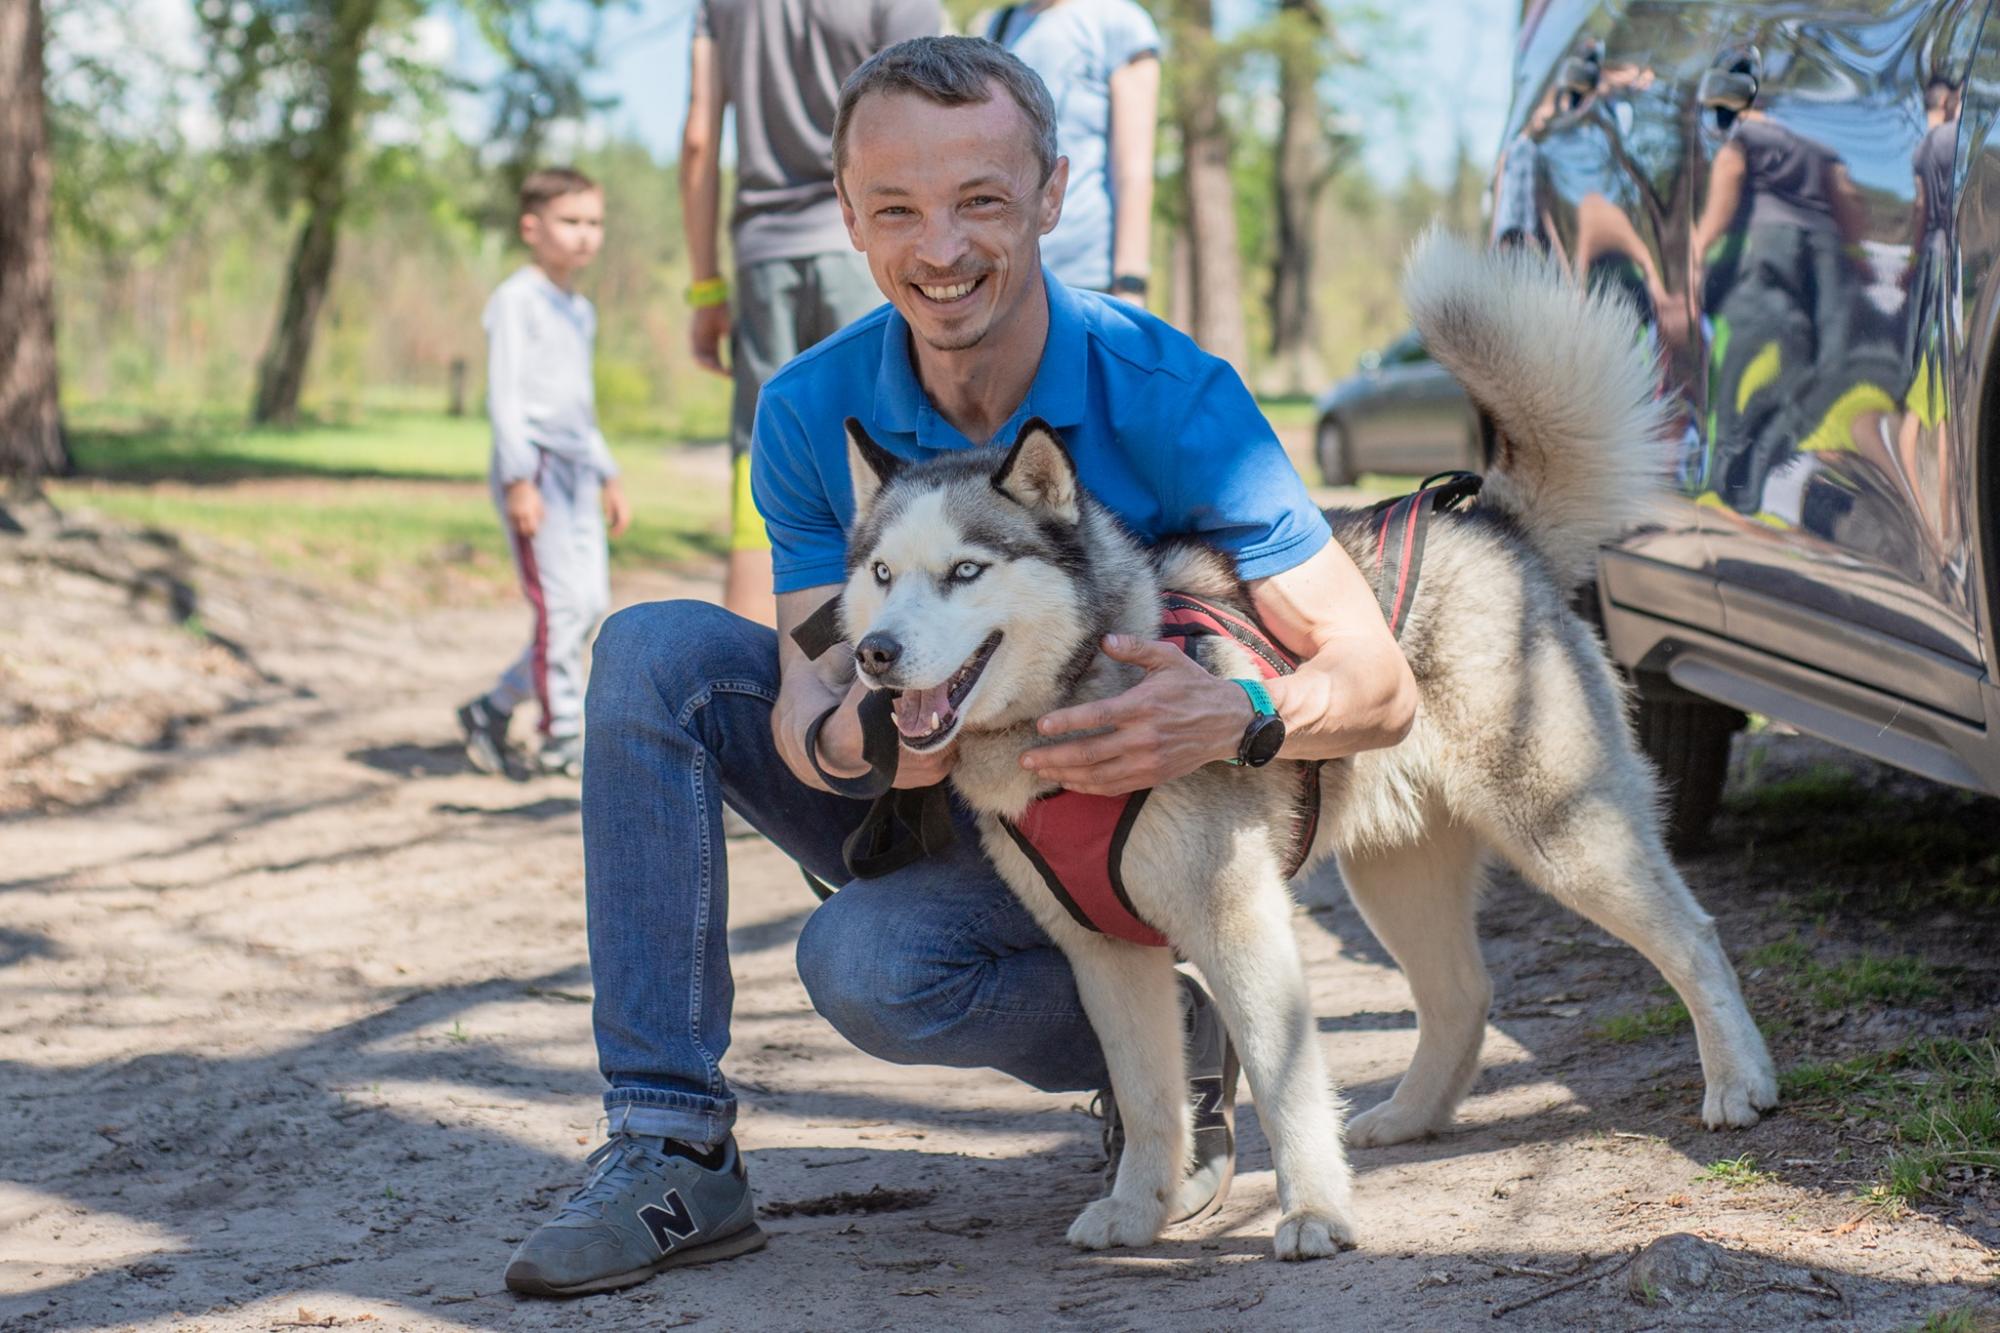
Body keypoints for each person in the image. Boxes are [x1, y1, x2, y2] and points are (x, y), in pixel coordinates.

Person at [502, 37, 1414, 1299]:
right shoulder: (811, 413)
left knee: (866, 968)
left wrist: (1240, 712)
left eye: (980, 199)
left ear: (1051, 192)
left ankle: (1175, 1049)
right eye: (897, 211)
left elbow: (1379, 684)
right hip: (932, 795)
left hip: (1128, 816)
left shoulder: (1168, 393)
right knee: (651, 651)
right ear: (850, 222)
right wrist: (880, 736)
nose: (939, 249)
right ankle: (668, 1145)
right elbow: (813, 689)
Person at [682, 0, 943, 628]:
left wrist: (705, 288)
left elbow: (698, 142)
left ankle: (757, 679)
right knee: (892, 464)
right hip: (869, 242)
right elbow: (930, 121)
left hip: (761, 257)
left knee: (761, 460)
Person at [456, 167, 632, 780]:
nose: (585, 236)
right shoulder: (516, 301)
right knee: (559, 607)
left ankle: (493, 706)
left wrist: (608, 474)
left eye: (594, 223)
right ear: (532, 227)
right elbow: (505, 397)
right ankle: (562, 735)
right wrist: (517, 478)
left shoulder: (578, 310)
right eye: (570, 221)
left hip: (579, 471)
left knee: (589, 605)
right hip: (536, 470)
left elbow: (578, 405)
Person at [985, 0, 1159, 299]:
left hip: (1086, 277)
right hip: (1006, 272)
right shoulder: (1000, 25)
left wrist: (1130, 284)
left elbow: (1135, 170)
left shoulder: (1121, 22)